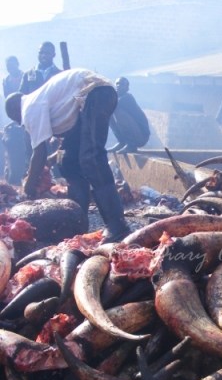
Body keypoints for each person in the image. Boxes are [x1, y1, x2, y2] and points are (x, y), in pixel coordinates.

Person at [5, 68, 130, 243]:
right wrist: (53, 159)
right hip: (88, 101)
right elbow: (67, 142)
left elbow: (39, 152)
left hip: (96, 93)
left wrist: (29, 184)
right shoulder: (42, 101)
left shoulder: (29, 107)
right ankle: (78, 220)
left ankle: (118, 226)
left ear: (16, 113)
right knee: (68, 161)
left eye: (19, 122)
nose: (22, 125)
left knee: (91, 159)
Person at [2, 55, 30, 184]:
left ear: (17, 64)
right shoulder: (6, 80)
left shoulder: (25, 76)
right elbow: (9, 100)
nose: (10, 68)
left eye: (12, 65)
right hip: (15, 112)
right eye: (8, 66)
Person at [109, 77, 150, 153]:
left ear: (127, 88)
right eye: (117, 84)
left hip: (141, 136)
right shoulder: (117, 98)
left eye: (121, 84)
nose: (118, 86)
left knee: (118, 112)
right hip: (136, 133)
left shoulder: (127, 98)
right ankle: (122, 142)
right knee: (109, 115)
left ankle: (131, 145)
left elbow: (112, 105)